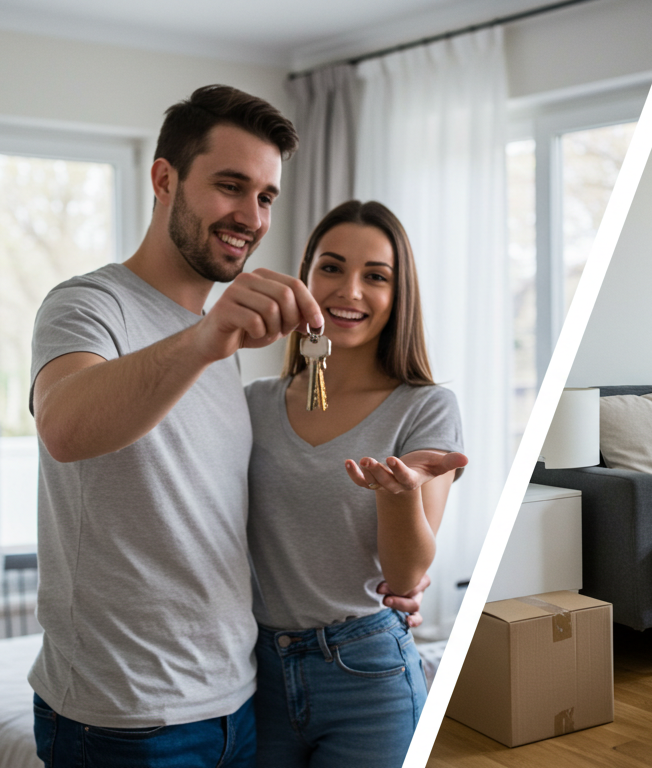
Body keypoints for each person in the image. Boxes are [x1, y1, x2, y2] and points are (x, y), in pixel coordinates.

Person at [27, 85, 309, 767]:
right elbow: (64, 427)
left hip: (235, 703)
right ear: (164, 180)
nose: (251, 217)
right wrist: (208, 338)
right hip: (123, 720)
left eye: (266, 197)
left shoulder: (217, 342)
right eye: (231, 186)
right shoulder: (88, 306)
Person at [246, 200, 465, 767]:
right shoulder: (251, 404)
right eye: (332, 268)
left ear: (399, 295)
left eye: (376, 276)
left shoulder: (426, 408)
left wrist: (399, 494)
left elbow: (405, 577)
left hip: (367, 674)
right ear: (306, 276)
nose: (350, 291)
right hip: (253, 671)